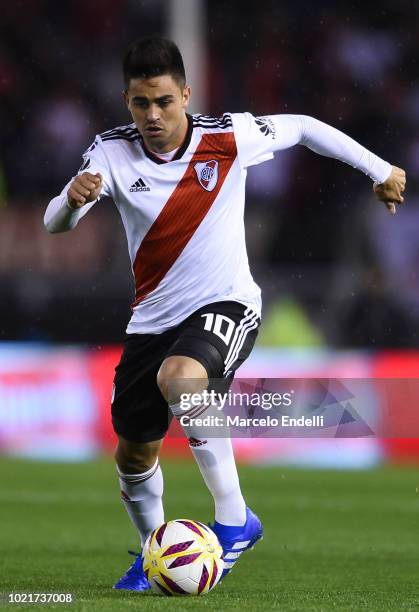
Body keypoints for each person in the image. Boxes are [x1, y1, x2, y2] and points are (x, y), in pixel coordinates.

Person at [44, 37, 406, 592]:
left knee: (183, 378)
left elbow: (306, 125)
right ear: (127, 102)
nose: (153, 115)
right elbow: (55, 224)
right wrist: (71, 198)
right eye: (141, 104)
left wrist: (379, 169)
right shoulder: (110, 152)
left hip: (227, 303)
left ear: (185, 94)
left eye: (164, 101)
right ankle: (154, 554)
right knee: (135, 453)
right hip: (151, 322)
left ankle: (236, 519)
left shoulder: (227, 137)